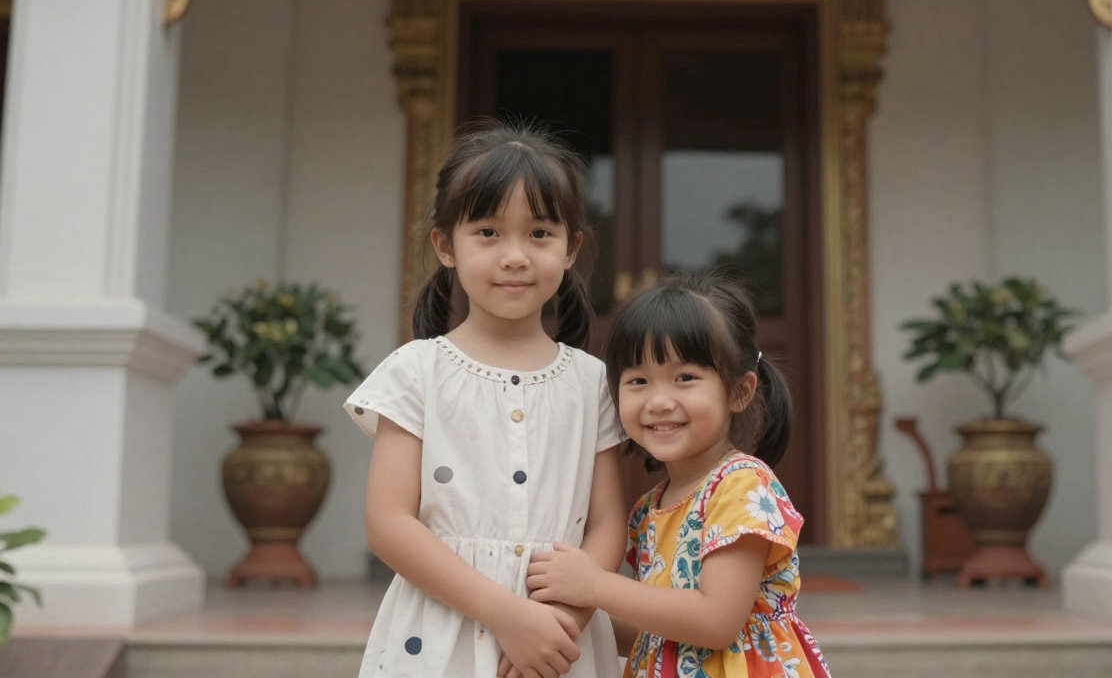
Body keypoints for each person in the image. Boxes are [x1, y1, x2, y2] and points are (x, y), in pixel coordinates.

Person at [344, 121, 626, 678]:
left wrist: (556, 624)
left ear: (572, 249)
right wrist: (507, 616)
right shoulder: (416, 371)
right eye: (489, 232)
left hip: (560, 640)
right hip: (438, 635)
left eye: (540, 233)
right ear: (445, 246)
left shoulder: (593, 382)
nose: (515, 256)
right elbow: (388, 523)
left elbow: (607, 524)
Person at [525, 272, 832, 678]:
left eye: (685, 378)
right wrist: (566, 618)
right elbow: (658, 630)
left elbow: (715, 621)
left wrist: (594, 585)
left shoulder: (740, 485)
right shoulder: (650, 508)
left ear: (739, 392)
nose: (659, 401)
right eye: (637, 381)